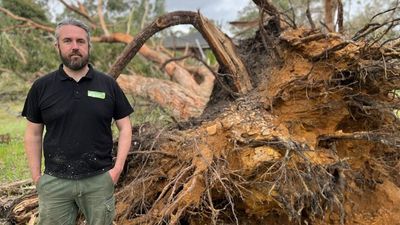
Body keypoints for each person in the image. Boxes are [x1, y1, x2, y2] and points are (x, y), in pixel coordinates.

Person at [22, 18, 133, 225]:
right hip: (55, 181)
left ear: (88, 46)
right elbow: (33, 133)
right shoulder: (42, 87)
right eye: (68, 41)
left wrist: (116, 170)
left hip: (99, 180)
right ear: (57, 46)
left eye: (81, 41)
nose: (75, 46)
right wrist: (38, 178)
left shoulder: (107, 85)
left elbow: (125, 126)